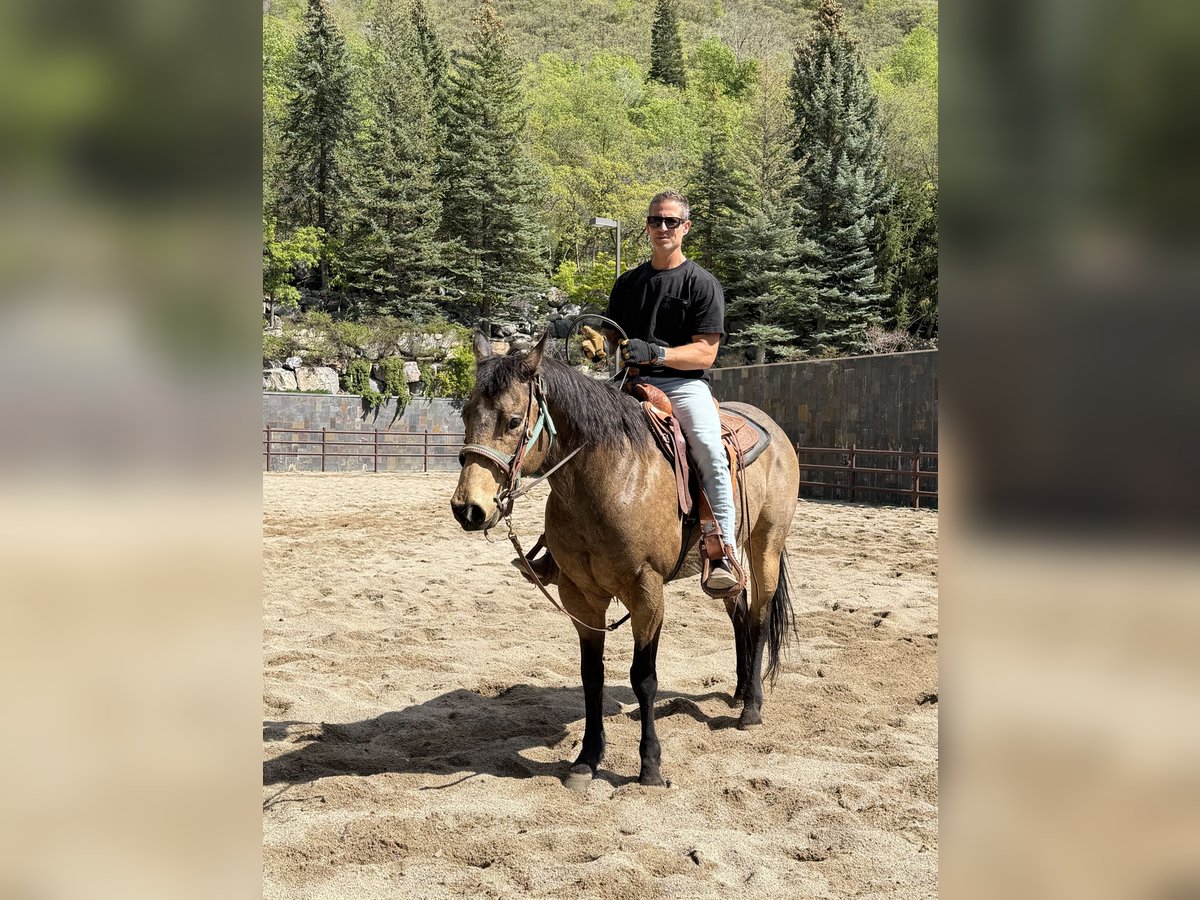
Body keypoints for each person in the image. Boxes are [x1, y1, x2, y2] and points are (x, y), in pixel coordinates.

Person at [600, 190, 740, 593]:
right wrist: (600, 343)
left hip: (683, 385)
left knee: (709, 449)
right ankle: (560, 546)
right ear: (647, 226)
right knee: (577, 434)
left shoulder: (701, 283)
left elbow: (706, 352)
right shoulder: (627, 283)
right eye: (655, 220)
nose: (662, 227)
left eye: (671, 221)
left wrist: (658, 352)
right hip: (628, 383)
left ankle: (722, 551)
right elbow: (612, 338)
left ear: (685, 227)